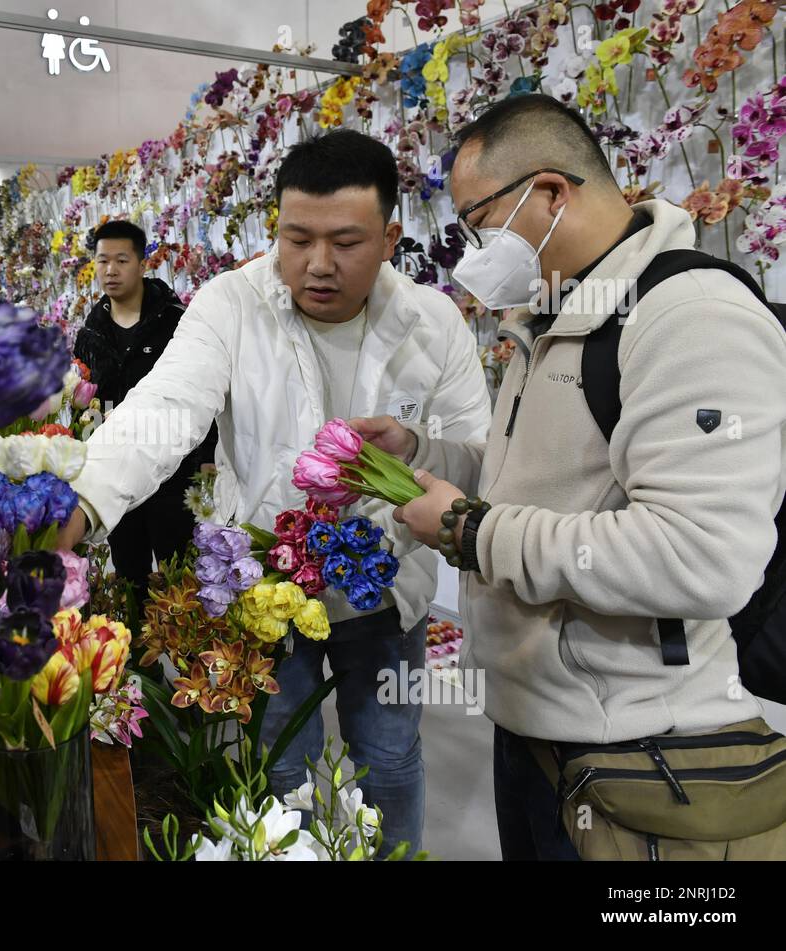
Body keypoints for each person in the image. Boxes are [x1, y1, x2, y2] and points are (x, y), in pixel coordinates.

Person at [354, 94, 786, 859]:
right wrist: (420, 454)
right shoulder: (555, 316)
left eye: (477, 222)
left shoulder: (688, 317)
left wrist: (469, 529)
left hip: (643, 757)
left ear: (551, 192)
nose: (471, 250)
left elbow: (702, 556)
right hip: (537, 738)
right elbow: (539, 483)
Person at [61, 130, 492, 852]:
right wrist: (82, 501)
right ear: (275, 229)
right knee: (276, 765)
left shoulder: (433, 320)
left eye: (345, 242)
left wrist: (416, 451)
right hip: (268, 589)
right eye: (297, 238)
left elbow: (479, 457)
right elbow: (165, 408)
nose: (317, 265)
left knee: (386, 761)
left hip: (387, 594)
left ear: (390, 236)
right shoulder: (232, 304)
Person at [72, 220, 213, 603]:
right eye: (102, 261)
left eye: (121, 260)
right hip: (115, 469)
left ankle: (186, 656)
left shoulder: (175, 323)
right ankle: (136, 657)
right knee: (129, 573)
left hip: (174, 470)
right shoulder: (90, 333)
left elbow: (202, 389)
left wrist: (207, 460)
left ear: (142, 263)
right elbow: (83, 402)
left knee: (181, 572)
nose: (111, 270)